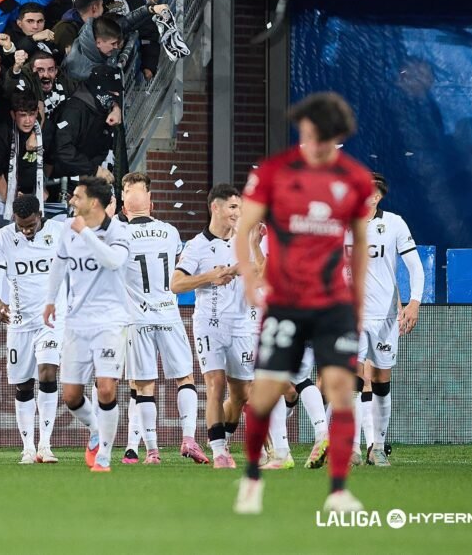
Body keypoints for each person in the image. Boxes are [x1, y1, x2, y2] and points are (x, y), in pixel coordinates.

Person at [232, 92, 374, 516]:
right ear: (303, 130)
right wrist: (250, 276)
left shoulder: (354, 177)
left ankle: (338, 491)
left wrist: (359, 300)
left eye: (326, 137)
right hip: (286, 303)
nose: (317, 143)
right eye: (312, 134)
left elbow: (360, 242)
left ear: (339, 136)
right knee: (265, 393)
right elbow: (244, 228)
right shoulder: (275, 172)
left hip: (333, 304)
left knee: (342, 392)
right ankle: (253, 479)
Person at [43, 176, 130, 473]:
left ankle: (104, 454)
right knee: (70, 395)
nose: (71, 201)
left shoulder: (119, 230)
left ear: (94, 202)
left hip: (110, 320)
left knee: (106, 388)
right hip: (76, 321)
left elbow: (114, 261)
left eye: (77, 197)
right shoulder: (69, 229)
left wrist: (87, 235)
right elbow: (59, 263)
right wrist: (51, 299)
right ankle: (96, 430)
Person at [119, 172, 206, 466]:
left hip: (138, 319)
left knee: (143, 386)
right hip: (169, 315)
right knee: (185, 378)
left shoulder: (118, 236)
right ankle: (189, 438)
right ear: (152, 204)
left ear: (123, 207)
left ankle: (152, 451)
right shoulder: (170, 232)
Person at [349, 172, 424, 467]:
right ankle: (352, 448)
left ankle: (377, 447)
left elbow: (415, 268)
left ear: (376, 196)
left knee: (381, 380)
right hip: (350, 315)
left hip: (385, 317)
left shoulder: (393, 223)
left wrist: (415, 302)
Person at [170, 184, 247, 468]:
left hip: (242, 324)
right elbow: (176, 284)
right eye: (233, 207)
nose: (238, 213)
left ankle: (223, 439)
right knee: (215, 385)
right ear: (215, 207)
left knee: (242, 394)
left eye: (239, 208)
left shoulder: (246, 240)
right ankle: (219, 451)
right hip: (208, 325)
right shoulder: (196, 246)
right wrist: (209, 277)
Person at [0, 194, 65, 464]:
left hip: (51, 319)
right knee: (23, 385)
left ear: (40, 215)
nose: (26, 230)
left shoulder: (59, 232)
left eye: (31, 224)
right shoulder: (3, 238)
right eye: (21, 225)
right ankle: (28, 447)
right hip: (19, 321)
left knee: (47, 371)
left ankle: (45, 444)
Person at [50, 64, 121, 180]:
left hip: (86, 175)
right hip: (65, 179)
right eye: (111, 92)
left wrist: (116, 107)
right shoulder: (73, 110)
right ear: (98, 89)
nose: (116, 95)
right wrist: (93, 169)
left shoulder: (102, 106)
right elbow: (63, 149)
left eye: (117, 92)